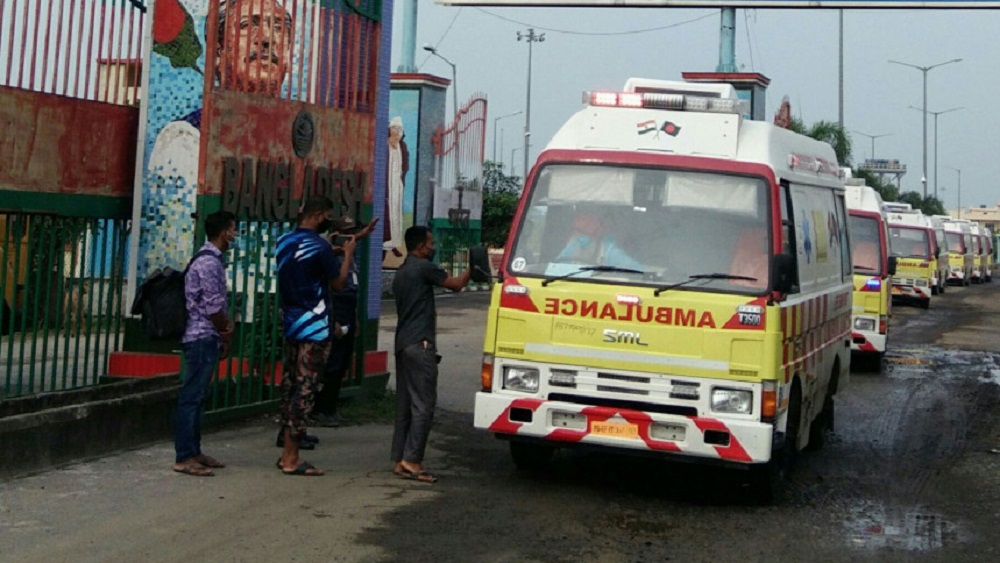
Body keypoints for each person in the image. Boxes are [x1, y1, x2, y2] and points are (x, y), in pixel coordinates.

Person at [142, 0, 293, 278]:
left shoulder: (293, 144)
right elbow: (174, 256)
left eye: (279, 28)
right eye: (250, 25)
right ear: (218, 53)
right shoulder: (185, 140)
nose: (267, 39)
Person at [275, 196, 356, 476]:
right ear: (320, 215)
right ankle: (291, 457)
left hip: (292, 323)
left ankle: (285, 448)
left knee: (289, 385)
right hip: (316, 327)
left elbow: (303, 266)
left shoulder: (283, 242)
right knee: (306, 388)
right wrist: (347, 255)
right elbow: (338, 282)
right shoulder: (320, 247)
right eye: (327, 216)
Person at [391, 226, 470, 484]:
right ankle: (413, 459)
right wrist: (475, 268)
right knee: (424, 404)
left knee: (405, 404)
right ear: (421, 247)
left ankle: (400, 458)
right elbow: (456, 285)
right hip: (420, 343)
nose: (433, 247)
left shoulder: (402, 271)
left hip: (403, 342)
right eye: (431, 243)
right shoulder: (423, 267)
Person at [172, 210, 237, 477]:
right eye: (233, 230)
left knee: (198, 397)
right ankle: (184, 455)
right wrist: (225, 330)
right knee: (191, 397)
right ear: (224, 232)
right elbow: (213, 305)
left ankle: (194, 450)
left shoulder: (210, 259)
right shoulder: (209, 263)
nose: (235, 235)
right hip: (201, 335)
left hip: (204, 335)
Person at [312, 215, 380, 428]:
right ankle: (321, 409)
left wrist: (355, 319)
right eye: (346, 232)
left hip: (348, 307)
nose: (351, 237)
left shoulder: (348, 253)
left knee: (341, 362)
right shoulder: (329, 255)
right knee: (331, 362)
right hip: (335, 308)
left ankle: (330, 408)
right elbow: (328, 289)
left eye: (353, 232)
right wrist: (332, 320)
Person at [555, 211, 644, 271]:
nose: (576, 237)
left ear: (596, 235)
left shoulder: (610, 252)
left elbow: (639, 272)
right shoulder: (571, 247)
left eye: (581, 232)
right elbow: (555, 270)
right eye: (574, 231)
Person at [384, 117, 409, 258]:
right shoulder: (384, 145)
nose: (397, 132)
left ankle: (394, 244)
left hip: (397, 185)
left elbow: (405, 165)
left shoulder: (402, 147)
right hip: (387, 184)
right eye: (395, 129)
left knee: (396, 214)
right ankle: (386, 243)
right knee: (387, 214)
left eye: (400, 129)